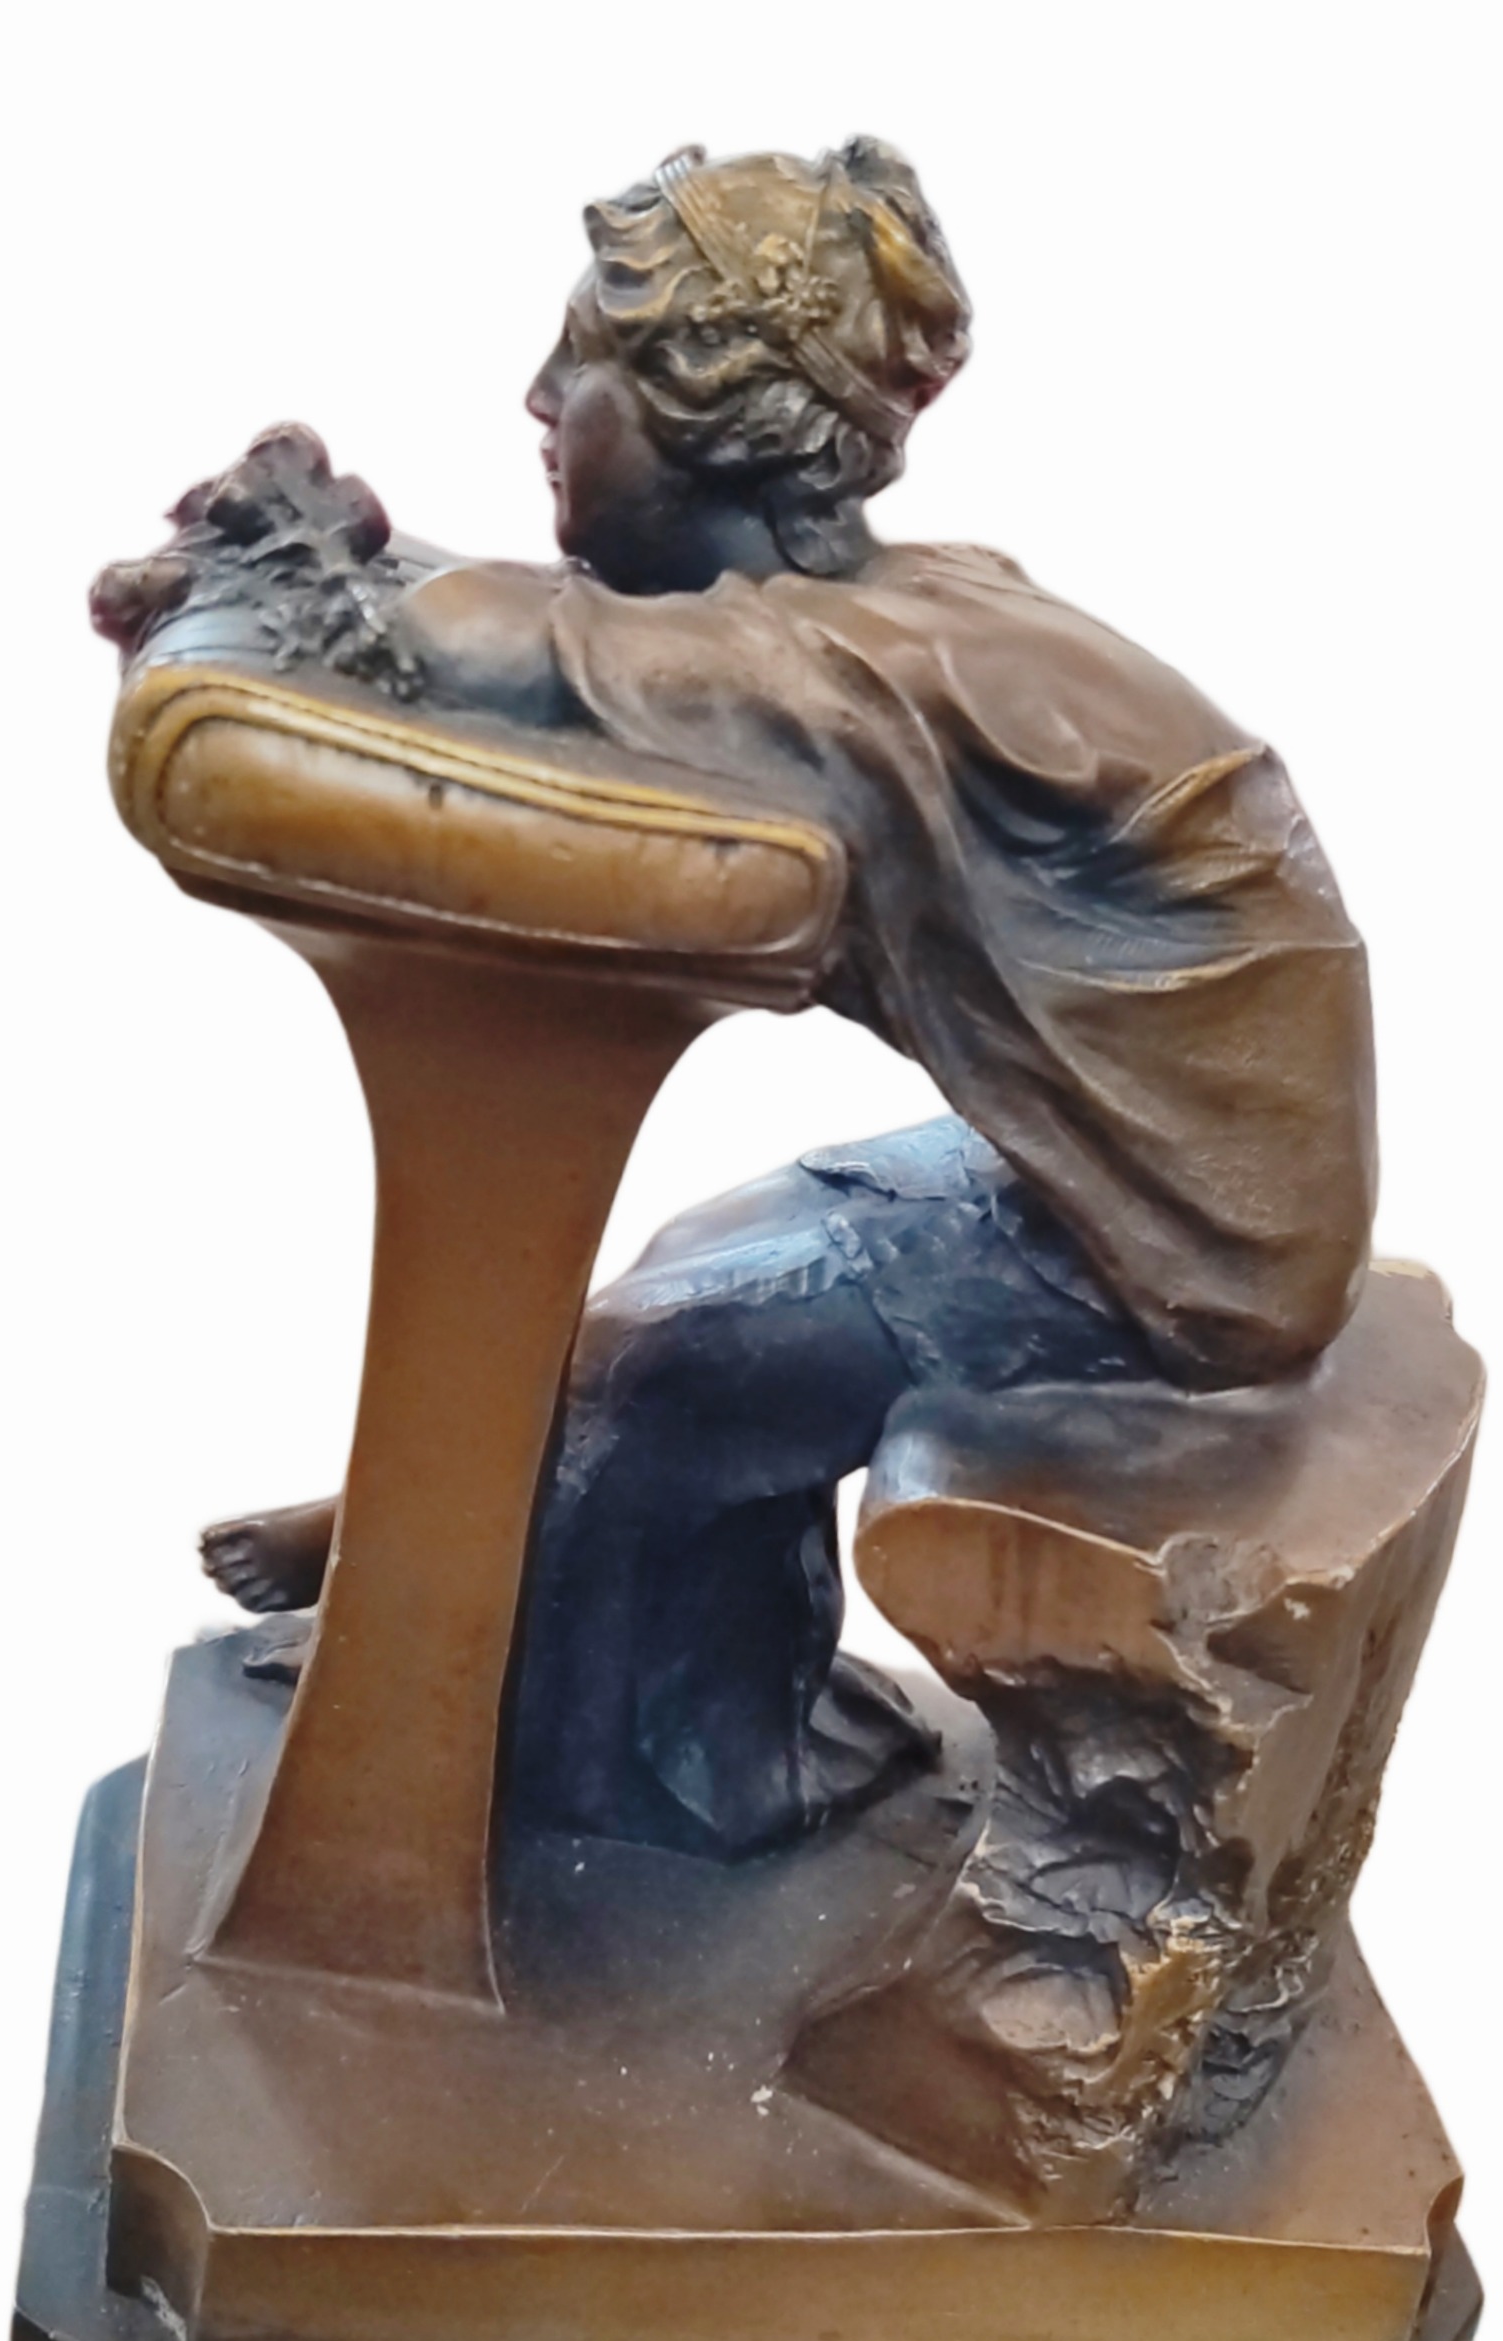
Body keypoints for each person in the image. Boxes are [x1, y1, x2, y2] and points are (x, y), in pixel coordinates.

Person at [195, 139, 1379, 1858]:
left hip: (1182, 1263)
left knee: (665, 1379)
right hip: (1153, 1191)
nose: (538, 397)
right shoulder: (909, 605)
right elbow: (568, 638)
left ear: (712, 420)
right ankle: (450, 1561)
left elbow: (519, 657)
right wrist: (360, 560)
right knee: (701, 1261)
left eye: (584, 362)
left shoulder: (846, 677)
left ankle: (642, 1792)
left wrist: (294, 559)